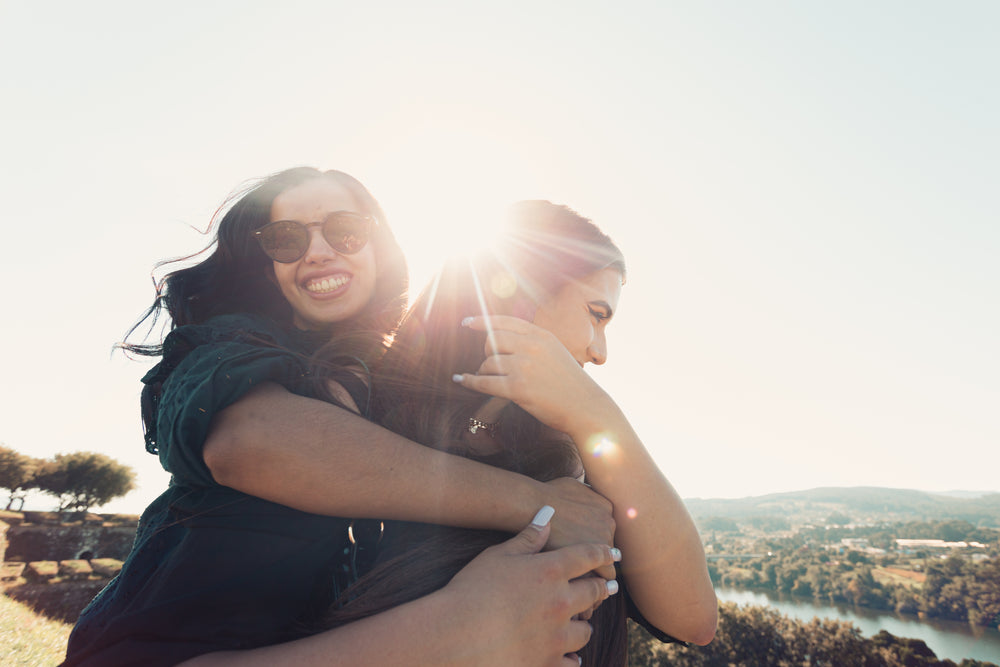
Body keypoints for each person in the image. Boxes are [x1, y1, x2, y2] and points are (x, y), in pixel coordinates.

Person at [63, 168, 619, 667]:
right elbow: (253, 442)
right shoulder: (222, 347)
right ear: (266, 266)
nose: (319, 251)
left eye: (345, 231)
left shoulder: (397, 378)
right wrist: (529, 514)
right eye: (287, 239)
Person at [312, 200, 717, 666]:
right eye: (596, 313)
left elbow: (694, 619)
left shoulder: (578, 455)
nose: (600, 351)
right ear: (520, 294)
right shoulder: (359, 394)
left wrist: (599, 415)